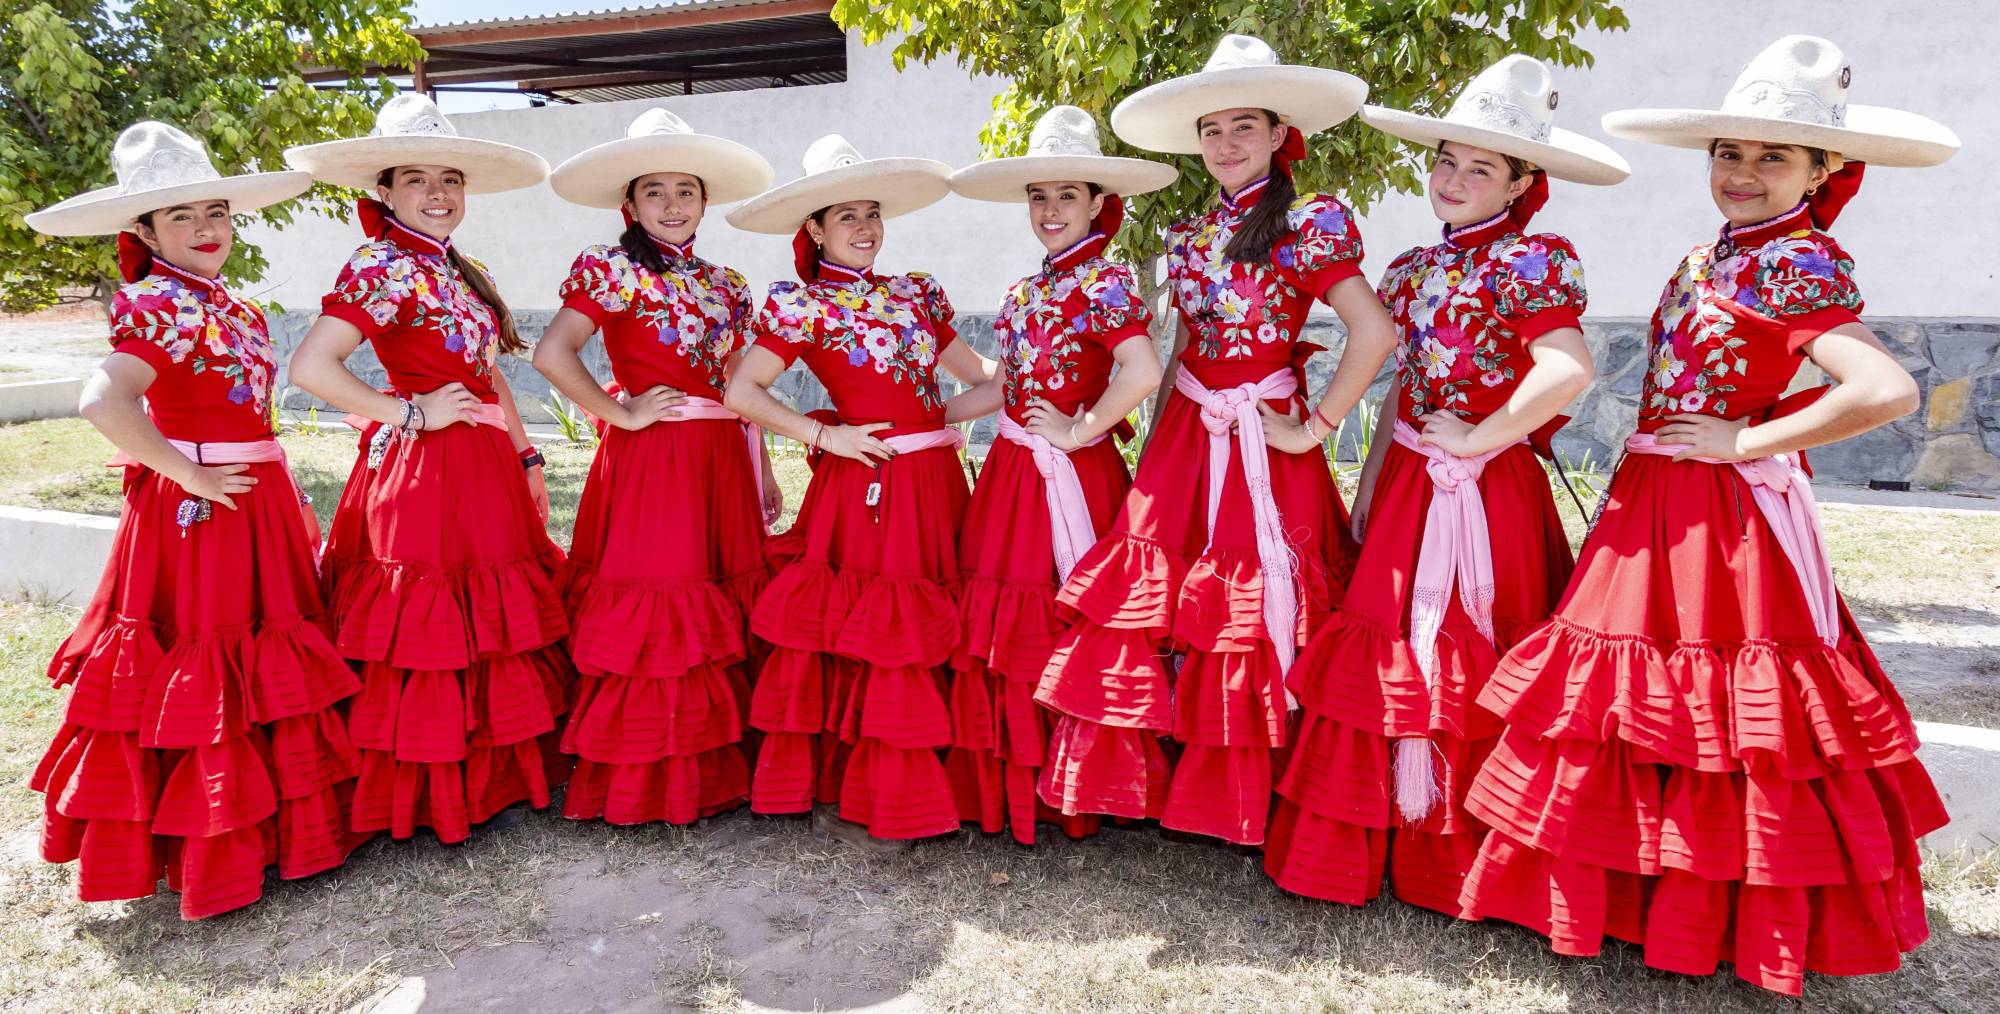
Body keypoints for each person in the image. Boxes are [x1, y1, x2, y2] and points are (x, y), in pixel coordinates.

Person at [1457, 35, 1960, 994]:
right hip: (1658, 500)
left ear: (1825, 171)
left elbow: (1884, 387)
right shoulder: (1709, 255)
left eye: (1774, 156)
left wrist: (1746, 444)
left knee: (1724, 719)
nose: (1743, 172)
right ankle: (1638, 901)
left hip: (1720, 520)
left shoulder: (1800, 263)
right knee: (1634, 711)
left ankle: (1722, 916)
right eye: (1730, 152)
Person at [1263, 55, 1627, 912]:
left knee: (1476, 644)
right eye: (1447, 161)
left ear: (1521, 183)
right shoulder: (1414, 270)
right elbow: (1398, 384)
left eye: (1481, 168)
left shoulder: (1530, 263)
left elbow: (1565, 368)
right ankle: (1386, 836)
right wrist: (1372, 469)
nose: (1456, 180)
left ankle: (1466, 859)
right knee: (1388, 644)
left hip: (1486, 494)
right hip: (1410, 492)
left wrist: (1484, 437)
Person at [1033, 34, 1398, 846]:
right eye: (1212, 129)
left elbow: (1373, 332)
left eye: (1244, 126)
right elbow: (1183, 354)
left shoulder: (1309, 221)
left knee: (1248, 606)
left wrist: (1317, 428)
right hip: (1189, 441)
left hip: (1266, 442)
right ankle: (1153, 785)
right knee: (1150, 601)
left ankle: (1247, 797)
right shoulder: (1191, 233)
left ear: (1278, 135)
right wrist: (1159, 440)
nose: (1226, 143)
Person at [24, 122, 359, 917]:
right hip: (201, 512)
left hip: (252, 501)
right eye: (182, 218)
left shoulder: (228, 302)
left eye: (217, 211)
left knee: (262, 654)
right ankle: (204, 844)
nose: (208, 229)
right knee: (208, 662)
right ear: (141, 232)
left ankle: (269, 829)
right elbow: (103, 398)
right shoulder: (158, 301)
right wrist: (187, 473)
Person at [285, 94, 568, 844]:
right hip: (426, 470)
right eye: (416, 178)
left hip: (485, 465)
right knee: (430, 624)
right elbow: (312, 365)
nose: (438, 193)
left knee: (489, 618)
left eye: (450, 178)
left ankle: (493, 778)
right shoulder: (379, 263)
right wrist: (410, 414)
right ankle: (431, 791)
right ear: (383, 189)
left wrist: (526, 452)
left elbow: (490, 375)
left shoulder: (456, 268)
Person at [722, 135, 999, 846]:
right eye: (846, 216)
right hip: (867, 485)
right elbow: (742, 389)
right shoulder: (801, 303)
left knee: (932, 615)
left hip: (934, 481)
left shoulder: (917, 293)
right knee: (881, 628)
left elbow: (977, 383)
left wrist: (1045, 371)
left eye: (872, 212)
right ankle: (875, 785)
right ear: (812, 228)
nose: (865, 227)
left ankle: (939, 773)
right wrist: (826, 438)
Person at [537, 107, 778, 826]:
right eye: (655, 192)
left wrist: (762, 467)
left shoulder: (728, 282)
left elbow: (741, 381)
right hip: (654, 460)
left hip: (721, 461)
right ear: (629, 204)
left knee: (718, 602)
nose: (672, 205)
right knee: (661, 606)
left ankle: (720, 767)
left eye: (686, 190)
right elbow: (552, 354)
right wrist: (622, 414)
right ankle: (649, 779)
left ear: (705, 200)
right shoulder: (607, 268)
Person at [944, 105, 1175, 842]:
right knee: (1008, 620)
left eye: (1066, 196)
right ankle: (1022, 785)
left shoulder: (1105, 283)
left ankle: (1075, 789)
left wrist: (1080, 430)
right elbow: (1004, 385)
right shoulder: (1021, 290)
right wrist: (934, 413)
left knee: (1062, 614)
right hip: (1013, 472)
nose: (1049, 211)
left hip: (1071, 471)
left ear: (1098, 205)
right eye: (1039, 197)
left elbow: (1142, 370)